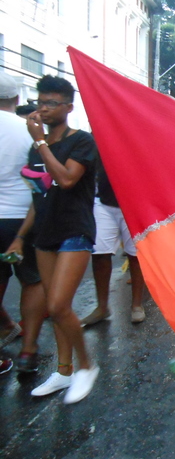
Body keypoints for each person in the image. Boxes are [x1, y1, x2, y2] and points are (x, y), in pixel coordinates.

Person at [5, 75, 99, 404]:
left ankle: (86, 366)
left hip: (75, 231)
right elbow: (39, 195)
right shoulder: (36, 146)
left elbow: (67, 179)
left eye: (51, 103)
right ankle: (64, 371)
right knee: (57, 310)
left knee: (58, 305)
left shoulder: (81, 141)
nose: (43, 109)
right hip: (44, 232)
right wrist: (19, 237)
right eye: (40, 102)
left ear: (68, 107)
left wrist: (42, 143)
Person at [0, 70, 47, 373]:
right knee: (32, 280)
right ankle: (28, 348)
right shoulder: (28, 131)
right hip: (22, 219)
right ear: (16, 99)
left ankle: (6, 330)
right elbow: (41, 184)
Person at [81, 157, 146, 326]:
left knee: (135, 255)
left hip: (134, 201)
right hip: (103, 201)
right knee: (100, 253)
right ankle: (102, 308)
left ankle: (137, 305)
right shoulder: (97, 136)